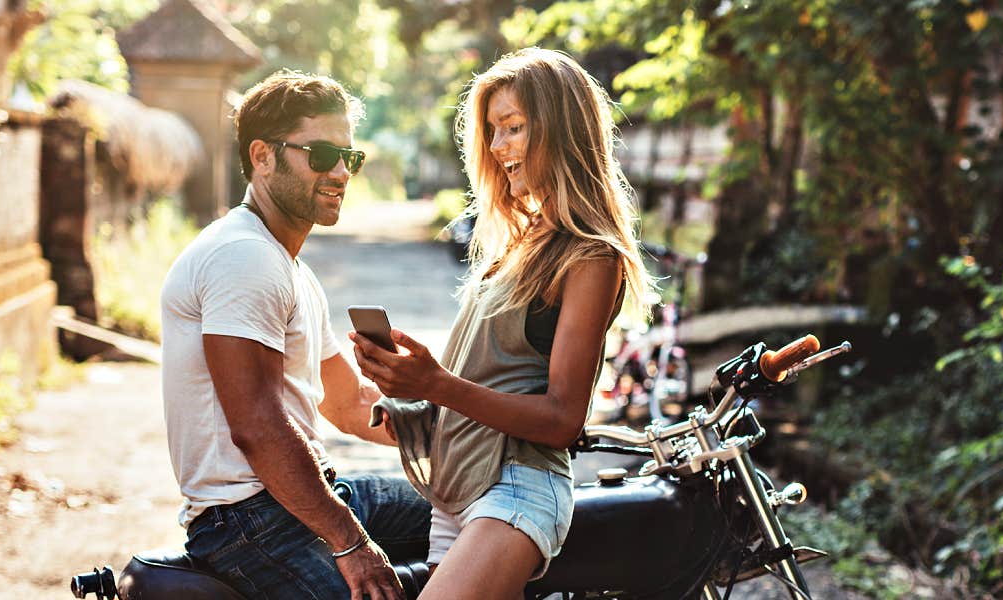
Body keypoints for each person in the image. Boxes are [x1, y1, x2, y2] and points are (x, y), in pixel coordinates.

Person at [352, 48, 654, 600]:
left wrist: (435, 384)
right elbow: (488, 386)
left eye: (513, 128)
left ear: (562, 131)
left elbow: (564, 419)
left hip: (516, 489)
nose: (497, 148)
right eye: (492, 132)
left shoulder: (590, 256)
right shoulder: (512, 247)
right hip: (458, 490)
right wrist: (414, 398)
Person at [160, 71, 429, 600]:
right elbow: (258, 427)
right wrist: (352, 545)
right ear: (262, 156)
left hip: (310, 492)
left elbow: (348, 403)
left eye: (350, 158)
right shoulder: (244, 257)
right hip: (248, 520)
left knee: (475, 519)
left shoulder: (289, 267)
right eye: (322, 154)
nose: (341, 173)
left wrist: (461, 425)